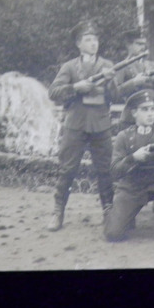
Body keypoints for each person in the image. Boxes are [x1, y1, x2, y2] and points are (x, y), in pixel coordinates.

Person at [47, 20, 117, 231]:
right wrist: (76, 87)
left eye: (95, 39)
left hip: (101, 124)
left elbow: (115, 95)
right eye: (88, 39)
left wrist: (111, 80)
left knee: (105, 170)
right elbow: (53, 92)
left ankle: (109, 211)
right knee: (67, 170)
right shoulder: (69, 67)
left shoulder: (108, 65)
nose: (93, 43)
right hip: (75, 124)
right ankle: (58, 212)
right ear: (79, 43)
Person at [104, 89, 154, 242]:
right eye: (144, 109)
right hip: (132, 186)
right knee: (113, 234)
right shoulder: (124, 137)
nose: (150, 114)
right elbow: (115, 171)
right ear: (134, 113)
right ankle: (114, 211)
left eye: (152, 109)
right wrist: (133, 158)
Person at [115, 28, 154, 101]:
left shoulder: (152, 65)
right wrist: (133, 82)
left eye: (144, 44)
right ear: (129, 45)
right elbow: (116, 92)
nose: (143, 47)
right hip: (132, 105)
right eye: (139, 44)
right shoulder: (122, 66)